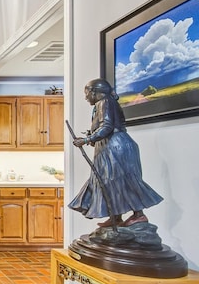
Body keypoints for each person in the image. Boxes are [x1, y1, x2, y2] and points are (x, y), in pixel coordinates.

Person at [68, 78, 163, 227]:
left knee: (122, 179)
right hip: (109, 146)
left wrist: (86, 140)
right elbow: (103, 127)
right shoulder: (104, 103)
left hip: (116, 147)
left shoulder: (105, 102)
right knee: (107, 182)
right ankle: (116, 216)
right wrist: (91, 138)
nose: (86, 97)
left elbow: (107, 126)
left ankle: (139, 215)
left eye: (87, 93)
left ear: (94, 92)